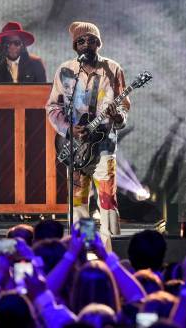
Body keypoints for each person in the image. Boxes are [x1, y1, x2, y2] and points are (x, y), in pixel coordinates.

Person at [46, 21, 130, 243]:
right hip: (76, 147)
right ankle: (79, 252)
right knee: (78, 202)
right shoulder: (65, 71)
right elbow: (53, 107)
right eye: (81, 41)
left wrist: (117, 116)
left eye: (92, 40)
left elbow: (123, 107)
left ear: (98, 44)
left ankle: (110, 255)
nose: (87, 44)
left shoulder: (113, 69)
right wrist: (68, 128)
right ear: (75, 45)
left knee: (107, 200)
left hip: (104, 146)